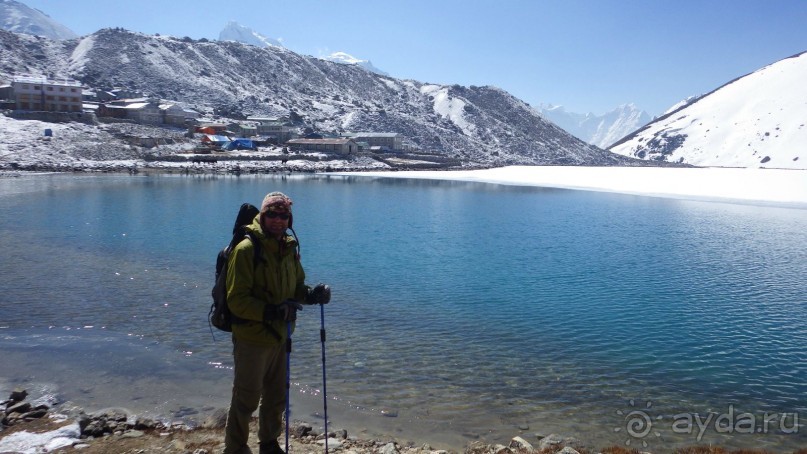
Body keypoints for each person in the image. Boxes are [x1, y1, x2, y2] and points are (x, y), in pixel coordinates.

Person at [223, 191, 331, 454]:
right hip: (252, 338)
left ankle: (269, 443)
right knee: (246, 397)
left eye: (284, 216)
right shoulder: (247, 249)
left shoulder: (289, 248)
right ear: (262, 215)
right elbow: (236, 300)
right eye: (272, 214)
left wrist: (312, 295)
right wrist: (271, 311)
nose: (278, 220)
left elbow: (295, 288)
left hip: (281, 335)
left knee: (276, 396)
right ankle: (235, 448)